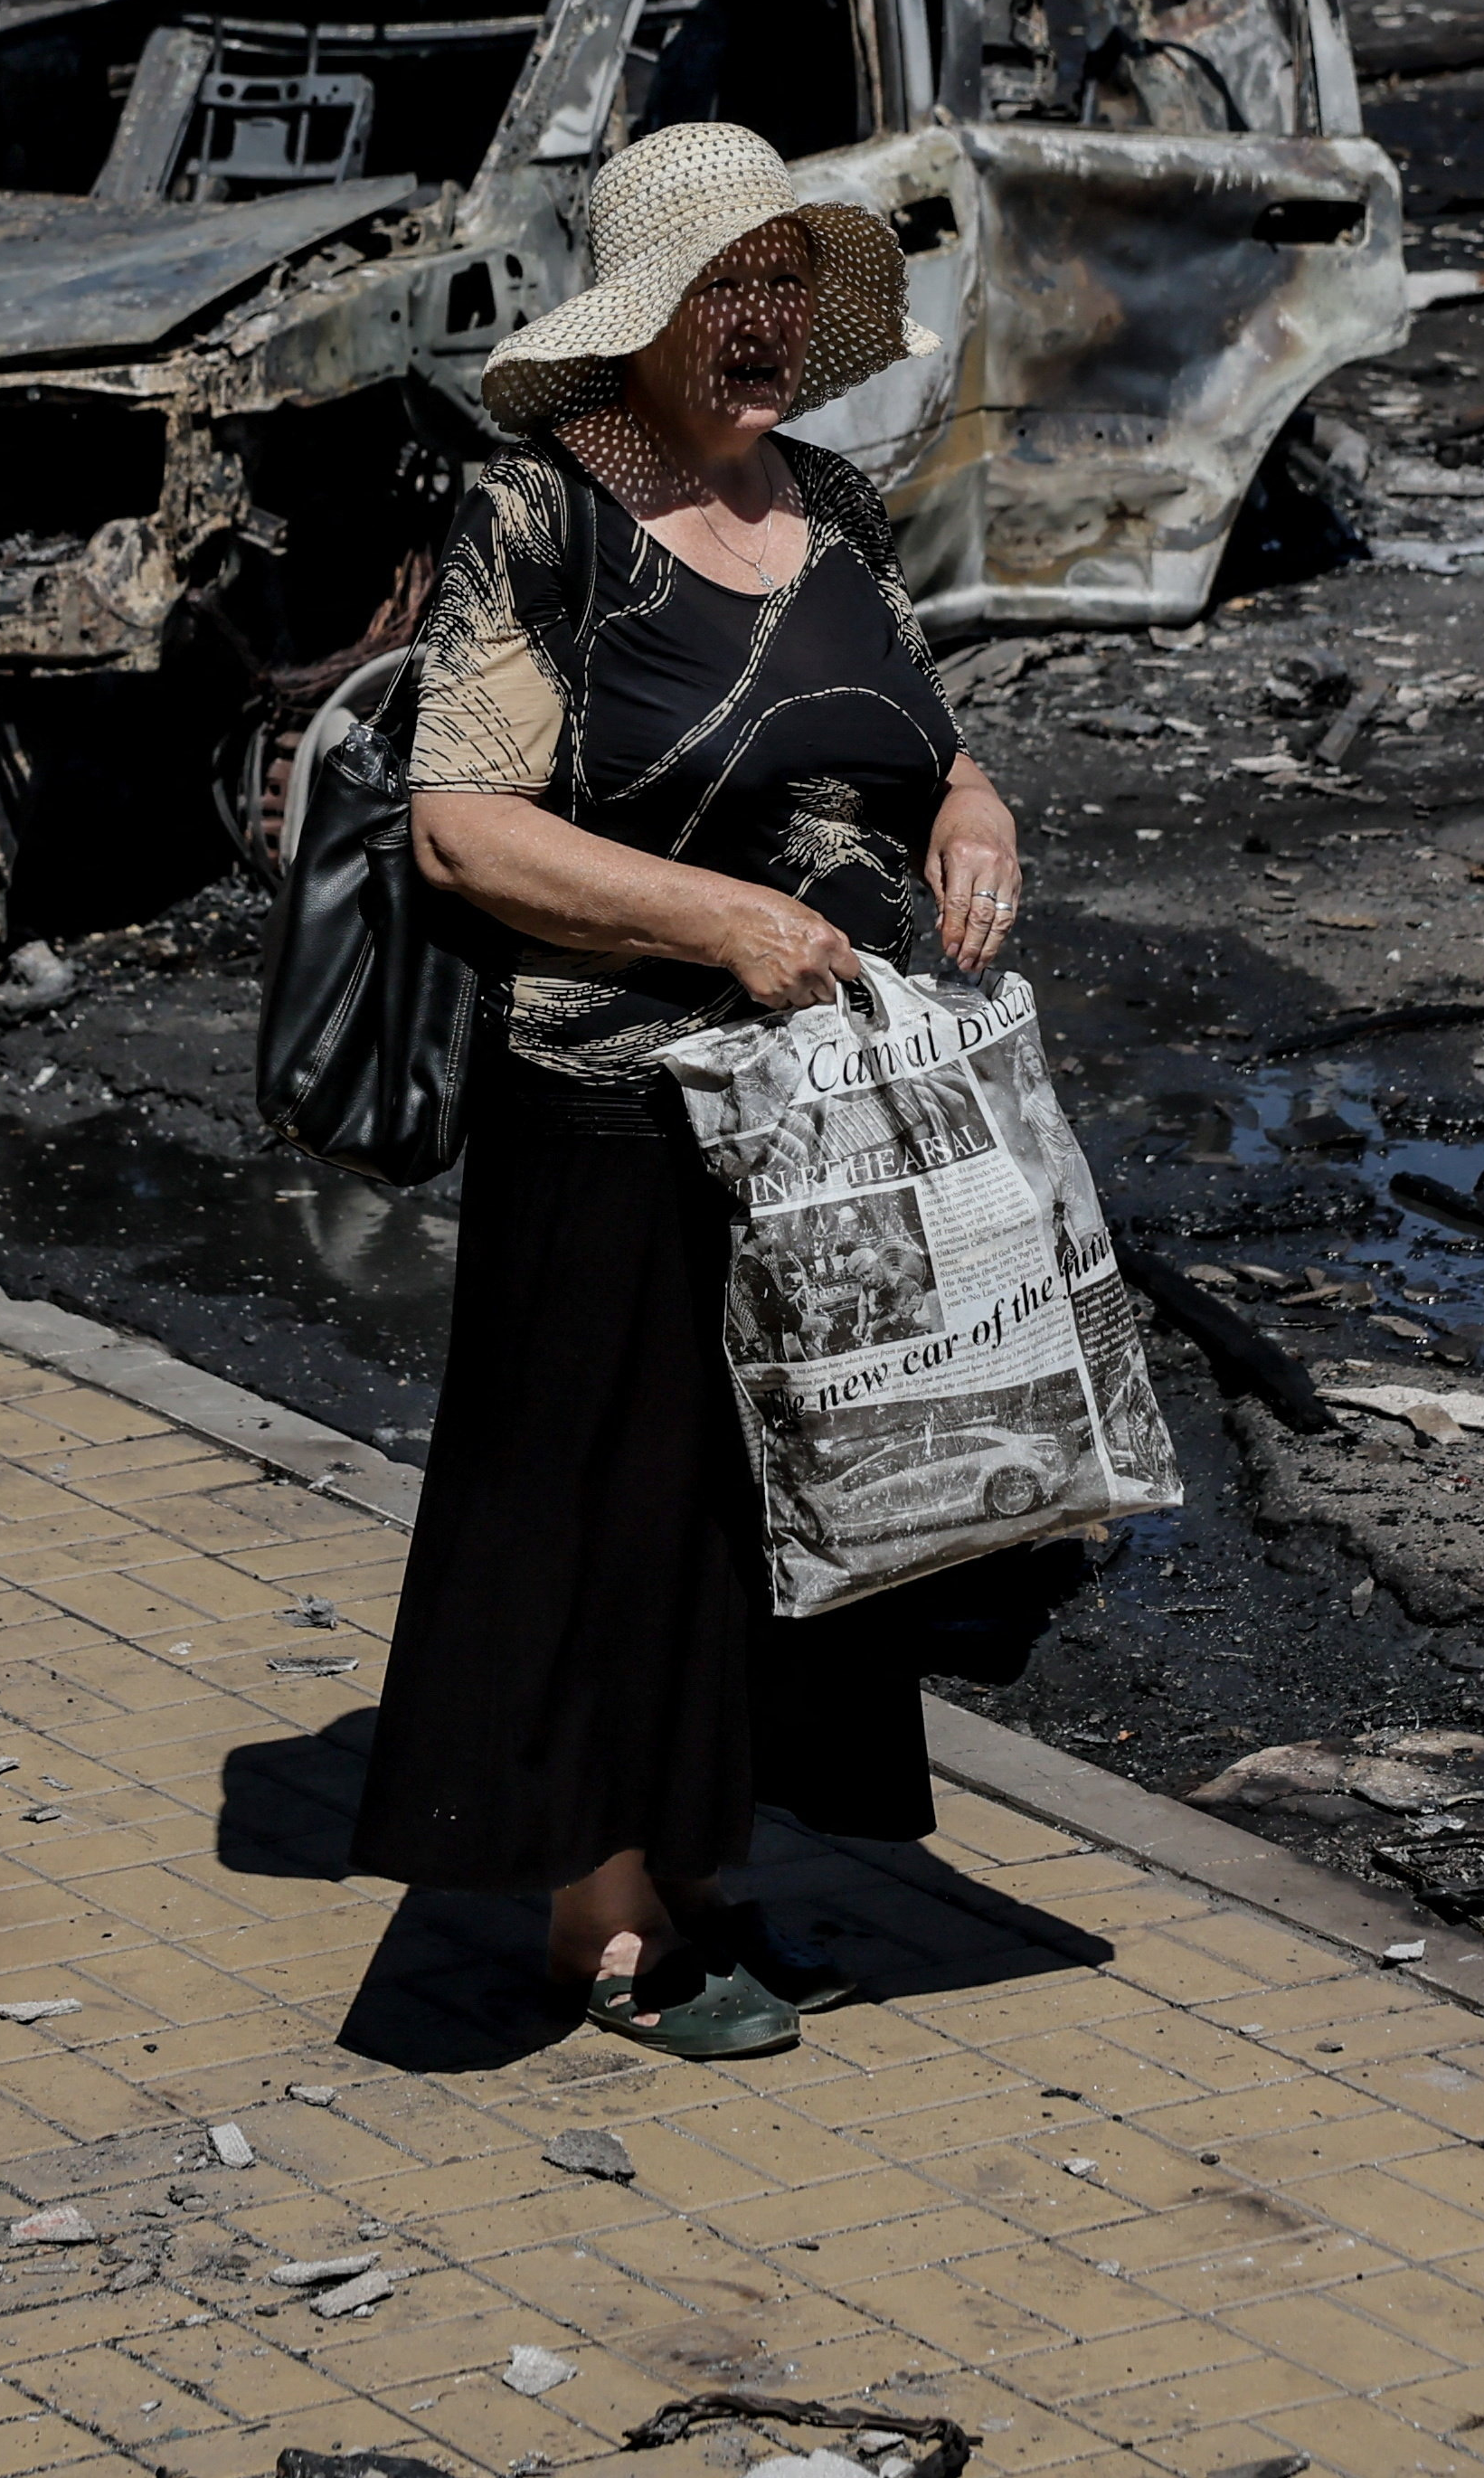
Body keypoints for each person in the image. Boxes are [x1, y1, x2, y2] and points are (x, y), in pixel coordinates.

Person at [359, 122, 1027, 2061]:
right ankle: (603, 1922)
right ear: (637, 318)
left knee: (774, 1511)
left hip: (822, 1117)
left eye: (779, 291)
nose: (756, 326)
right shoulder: (544, 515)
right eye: (719, 291)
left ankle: (706, 1860)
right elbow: (464, 833)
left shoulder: (827, 499)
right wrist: (719, 919)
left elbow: (921, 739)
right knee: (609, 1512)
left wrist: (973, 809)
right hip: (613, 1101)